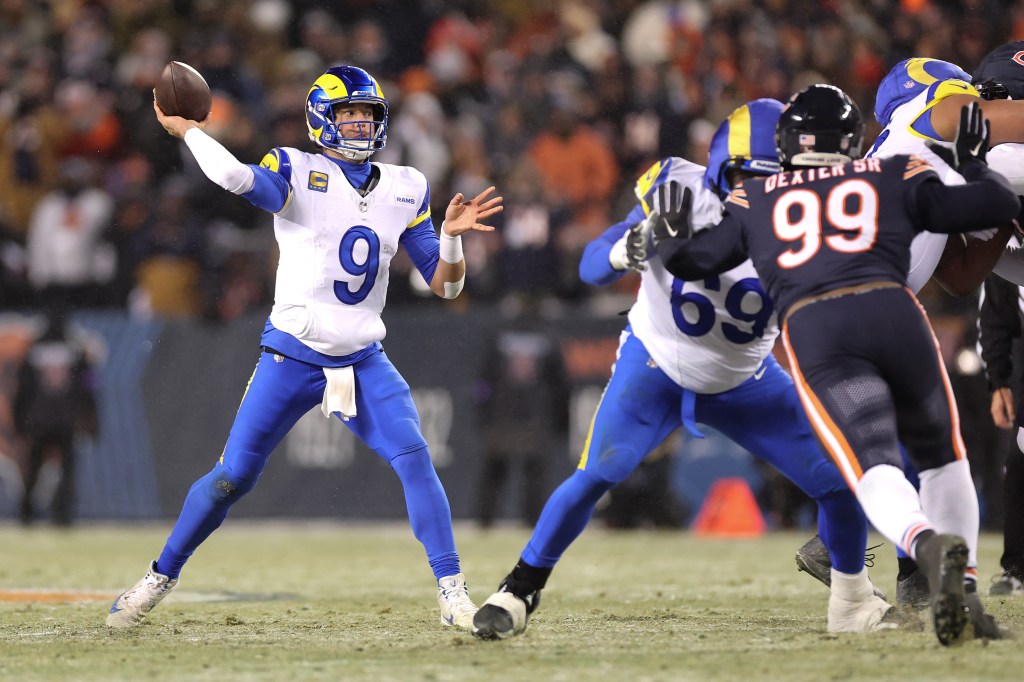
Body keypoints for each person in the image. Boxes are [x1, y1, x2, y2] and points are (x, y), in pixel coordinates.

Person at [472, 99, 893, 641]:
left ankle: (852, 602)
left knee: (840, 478)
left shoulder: (811, 217)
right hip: (656, 363)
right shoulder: (679, 189)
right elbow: (590, 265)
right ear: (721, 169)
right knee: (600, 471)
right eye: (747, 179)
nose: (759, 193)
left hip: (746, 377)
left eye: (775, 178)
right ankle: (520, 586)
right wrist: (633, 244)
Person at [106, 65, 502, 631]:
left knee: (416, 458)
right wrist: (189, 131)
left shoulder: (406, 185)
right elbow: (235, 180)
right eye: (349, 114)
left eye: (368, 114)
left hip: (365, 358)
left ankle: (453, 593)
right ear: (322, 120)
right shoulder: (296, 169)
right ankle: (158, 576)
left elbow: (447, 285)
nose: (361, 124)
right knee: (231, 477)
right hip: (292, 356)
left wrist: (453, 238)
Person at [646, 84, 1014, 644]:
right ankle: (960, 586)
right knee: (944, 459)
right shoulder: (896, 171)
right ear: (852, 140)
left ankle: (922, 541)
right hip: (894, 311)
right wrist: (972, 165)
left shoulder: (757, 196)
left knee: (873, 466)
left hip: (818, 329)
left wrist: (669, 241)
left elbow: (698, 261)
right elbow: (996, 208)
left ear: (788, 141)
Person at [794, 48, 1024, 609]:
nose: (983, 100)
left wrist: (997, 210)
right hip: (862, 298)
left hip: (841, 299)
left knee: (908, 441)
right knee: (932, 449)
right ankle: (916, 570)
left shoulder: (916, 162)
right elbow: (997, 124)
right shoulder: (934, 117)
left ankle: (873, 559)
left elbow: (962, 277)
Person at [475, 294, 570, 528]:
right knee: (533, 473)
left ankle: (485, 519)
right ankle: (532, 520)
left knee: (496, 471)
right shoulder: (549, 336)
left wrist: (482, 410)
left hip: (503, 412)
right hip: (534, 415)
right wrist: (561, 417)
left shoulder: (500, 334)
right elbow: (561, 384)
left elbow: (485, 380)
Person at [13, 307, 97, 526]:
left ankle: (26, 514)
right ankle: (63, 514)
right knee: (67, 471)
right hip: (65, 420)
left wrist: (19, 421)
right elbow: (87, 387)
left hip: (39, 421)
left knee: (33, 470)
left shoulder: (33, 352)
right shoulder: (75, 352)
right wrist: (91, 420)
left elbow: (22, 390)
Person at [977, 270, 1024, 597]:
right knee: (1019, 460)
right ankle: (1018, 569)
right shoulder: (1006, 249)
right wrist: (999, 380)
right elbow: (995, 317)